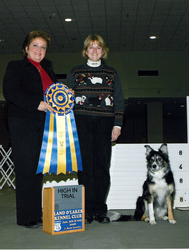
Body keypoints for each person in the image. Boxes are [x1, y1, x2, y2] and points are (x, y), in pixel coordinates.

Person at [68, 34, 125, 224]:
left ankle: (100, 209)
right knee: (85, 168)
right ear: (85, 51)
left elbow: (118, 100)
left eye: (98, 47)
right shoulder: (75, 72)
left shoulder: (112, 73)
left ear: (103, 51)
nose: (94, 51)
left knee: (102, 167)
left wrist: (117, 124)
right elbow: (66, 100)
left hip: (104, 123)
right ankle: (85, 210)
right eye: (91, 47)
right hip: (81, 123)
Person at [3, 30, 57, 228]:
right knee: (26, 169)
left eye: (43, 47)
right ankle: (26, 217)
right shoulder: (15, 66)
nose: (39, 50)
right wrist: (37, 103)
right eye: (35, 45)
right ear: (26, 48)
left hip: (43, 124)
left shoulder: (48, 70)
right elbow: (9, 92)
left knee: (37, 170)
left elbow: (54, 95)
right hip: (22, 122)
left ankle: (36, 212)